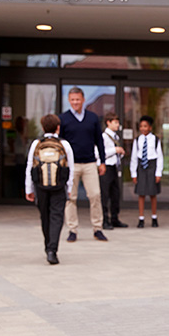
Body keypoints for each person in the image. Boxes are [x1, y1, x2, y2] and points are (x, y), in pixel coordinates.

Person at [59, 87, 108, 242]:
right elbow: (60, 144)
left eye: (78, 99)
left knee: (95, 195)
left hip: (89, 163)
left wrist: (103, 162)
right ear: (69, 100)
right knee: (70, 198)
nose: (75, 102)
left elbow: (99, 141)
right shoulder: (63, 119)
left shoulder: (92, 118)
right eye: (72, 100)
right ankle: (72, 230)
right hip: (71, 165)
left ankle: (97, 228)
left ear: (83, 99)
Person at [25, 114, 75, 265]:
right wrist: (70, 187)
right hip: (59, 186)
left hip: (40, 186)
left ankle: (48, 246)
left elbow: (30, 167)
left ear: (42, 127)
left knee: (45, 217)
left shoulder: (36, 144)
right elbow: (71, 167)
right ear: (58, 128)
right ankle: (52, 250)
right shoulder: (64, 144)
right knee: (57, 217)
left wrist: (29, 188)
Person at [130, 115, 163, 228]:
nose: (143, 128)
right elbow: (134, 157)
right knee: (141, 194)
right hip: (141, 167)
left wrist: (158, 172)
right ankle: (141, 218)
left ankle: (154, 217)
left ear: (150, 128)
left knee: (153, 194)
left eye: (145, 126)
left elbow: (160, 157)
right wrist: (133, 173)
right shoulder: (137, 140)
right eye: (141, 126)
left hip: (152, 166)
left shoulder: (155, 140)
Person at [99, 112, 128, 229]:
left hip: (114, 167)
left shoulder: (116, 137)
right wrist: (115, 150)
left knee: (115, 194)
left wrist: (120, 153)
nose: (118, 125)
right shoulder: (103, 137)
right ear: (108, 123)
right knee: (105, 195)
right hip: (106, 168)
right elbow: (99, 154)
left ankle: (115, 218)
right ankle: (105, 220)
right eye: (115, 122)